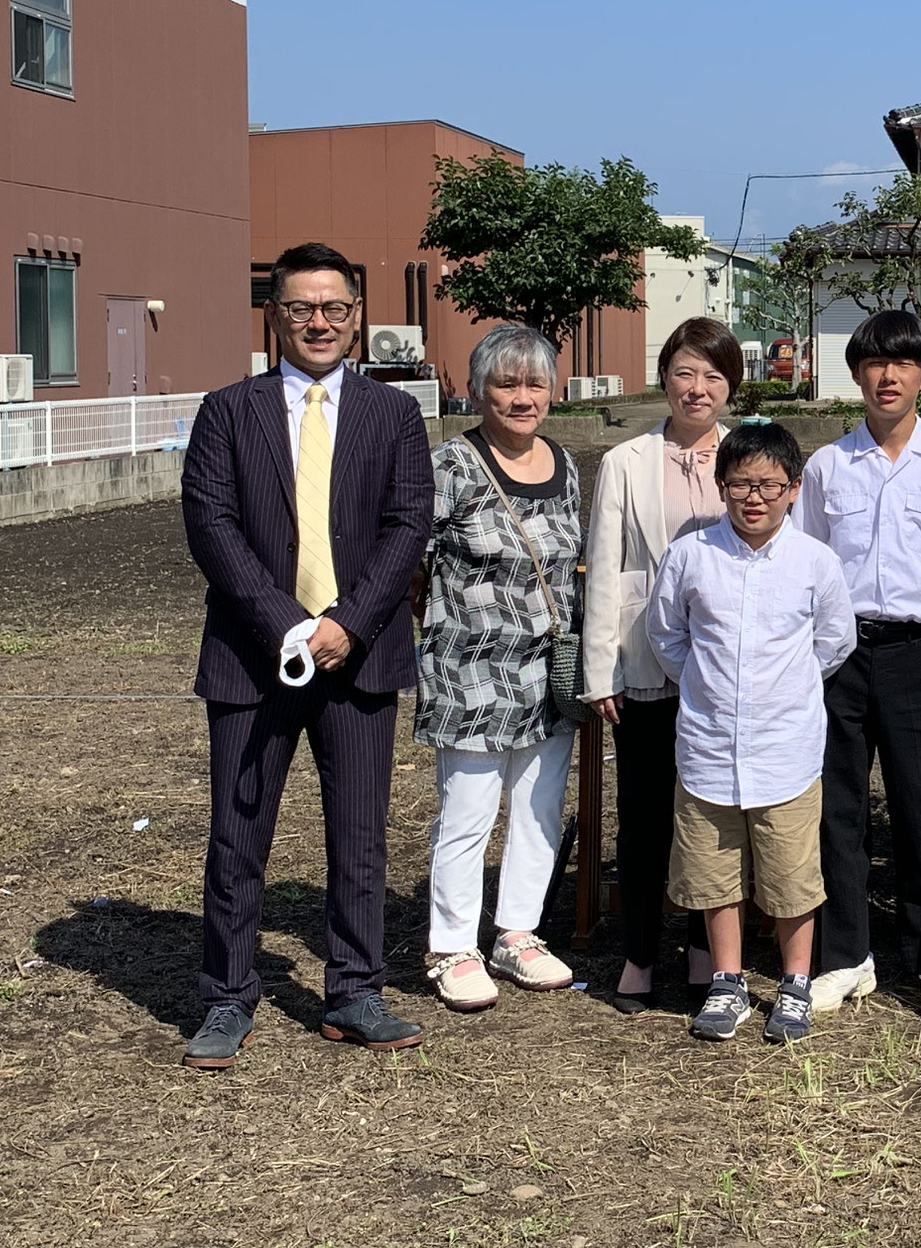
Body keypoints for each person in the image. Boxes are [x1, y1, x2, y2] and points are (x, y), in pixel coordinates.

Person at [179, 241, 434, 1068]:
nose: (318, 323)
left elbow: (407, 529)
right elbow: (211, 526)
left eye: (334, 308)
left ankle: (354, 989)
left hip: (358, 656)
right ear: (274, 317)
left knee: (359, 834)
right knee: (237, 831)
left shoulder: (393, 416)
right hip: (253, 657)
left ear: (357, 319)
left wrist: (346, 624)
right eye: (300, 308)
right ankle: (227, 995)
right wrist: (288, 623)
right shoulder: (228, 411)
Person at [794, 311, 921, 1025]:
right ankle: (846, 954)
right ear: (855, 374)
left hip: (914, 650)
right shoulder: (825, 466)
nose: (888, 376)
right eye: (874, 363)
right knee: (837, 809)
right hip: (838, 653)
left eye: (903, 364)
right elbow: (807, 560)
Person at [647, 422, 856, 1043]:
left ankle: (793, 984)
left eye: (769, 484)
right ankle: (728, 981)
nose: (754, 497)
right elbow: (667, 635)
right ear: (721, 486)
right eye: (740, 483)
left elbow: (834, 640)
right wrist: (708, 687)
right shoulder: (692, 555)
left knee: (792, 874)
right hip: (709, 747)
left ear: (794, 489)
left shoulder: (814, 561)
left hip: (785, 748)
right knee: (715, 872)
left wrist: (783, 688)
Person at [417, 325, 582, 1011]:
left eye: (534, 383)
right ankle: (453, 945)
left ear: (553, 389)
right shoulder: (450, 465)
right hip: (469, 672)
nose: (522, 398)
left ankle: (519, 931)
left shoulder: (566, 464)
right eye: (506, 384)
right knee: (468, 810)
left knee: (541, 807)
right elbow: (410, 557)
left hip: (548, 671)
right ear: (477, 390)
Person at [580, 317, 740, 1011]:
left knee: (713, 818)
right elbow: (605, 572)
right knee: (644, 813)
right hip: (643, 662)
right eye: (684, 371)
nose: (697, 388)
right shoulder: (625, 462)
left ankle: (707, 955)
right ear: (664, 377)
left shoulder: (746, 456)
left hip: (724, 669)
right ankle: (640, 955)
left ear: (731, 385)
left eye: (712, 374)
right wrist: (600, 673)